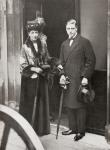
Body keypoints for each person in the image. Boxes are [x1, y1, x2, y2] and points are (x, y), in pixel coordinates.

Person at [59, 19, 96, 141]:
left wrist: (86, 77)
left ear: (76, 29)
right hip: (69, 79)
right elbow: (61, 62)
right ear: (66, 29)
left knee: (80, 105)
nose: (70, 31)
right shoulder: (64, 44)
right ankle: (72, 128)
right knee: (69, 104)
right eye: (68, 28)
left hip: (80, 79)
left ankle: (81, 131)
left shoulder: (84, 42)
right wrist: (62, 75)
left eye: (72, 28)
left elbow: (91, 61)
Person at [19, 17, 51, 136]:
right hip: (30, 79)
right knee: (31, 103)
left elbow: (47, 58)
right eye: (32, 32)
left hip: (41, 77)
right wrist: (34, 68)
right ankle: (29, 129)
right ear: (28, 33)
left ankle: (41, 129)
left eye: (36, 32)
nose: (34, 35)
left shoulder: (42, 44)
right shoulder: (25, 47)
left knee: (41, 103)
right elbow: (22, 64)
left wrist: (46, 66)